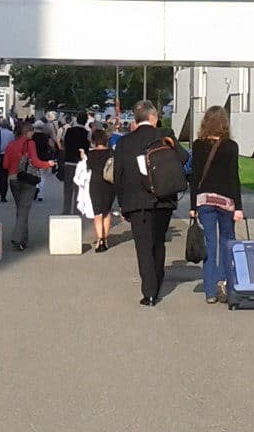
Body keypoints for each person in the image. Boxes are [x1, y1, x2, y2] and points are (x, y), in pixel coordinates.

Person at [113, 98, 180, 306]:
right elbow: (183, 159)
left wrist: (123, 204)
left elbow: (118, 175)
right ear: (154, 117)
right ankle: (157, 283)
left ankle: (149, 292)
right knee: (158, 243)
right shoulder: (165, 136)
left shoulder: (124, 143)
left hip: (136, 202)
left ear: (135, 119)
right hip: (164, 199)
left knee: (143, 247)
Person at [188, 105, 244, 303]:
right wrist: (239, 207)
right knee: (228, 241)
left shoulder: (198, 145)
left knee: (210, 243)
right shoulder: (231, 146)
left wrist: (193, 206)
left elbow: (194, 177)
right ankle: (225, 282)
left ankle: (210, 291)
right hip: (226, 201)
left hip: (204, 200)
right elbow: (233, 177)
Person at [2, 118, 42, 251]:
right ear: (28, 132)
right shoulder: (30, 144)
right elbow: (35, 161)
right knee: (24, 209)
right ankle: (17, 238)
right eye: (32, 132)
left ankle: (24, 239)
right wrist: (48, 164)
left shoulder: (10, 145)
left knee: (20, 209)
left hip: (13, 178)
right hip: (27, 179)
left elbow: (5, 165)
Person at [83, 128, 115, 252]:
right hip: (110, 184)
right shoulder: (111, 153)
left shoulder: (91, 154)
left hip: (95, 184)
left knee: (97, 213)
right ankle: (105, 239)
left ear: (94, 141)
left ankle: (99, 239)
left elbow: (88, 168)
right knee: (107, 212)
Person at [55, 111, 90, 213]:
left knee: (68, 189)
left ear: (76, 120)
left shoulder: (69, 131)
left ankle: (66, 211)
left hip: (69, 161)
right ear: (86, 121)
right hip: (80, 164)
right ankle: (77, 211)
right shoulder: (87, 133)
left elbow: (64, 142)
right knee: (79, 189)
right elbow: (87, 148)